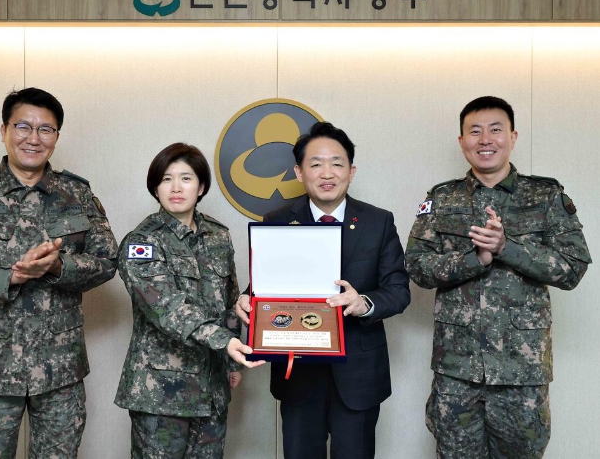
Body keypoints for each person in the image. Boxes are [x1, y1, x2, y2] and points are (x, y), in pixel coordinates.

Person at [0, 87, 118, 458]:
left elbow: (107, 261)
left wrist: (60, 266)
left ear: (56, 137)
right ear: (4, 131)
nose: (34, 138)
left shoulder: (77, 194)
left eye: (45, 129)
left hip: (60, 368)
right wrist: (9, 277)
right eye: (23, 127)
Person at [405, 96, 592, 458]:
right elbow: (416, 266)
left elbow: (573, 268)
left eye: (495, 130)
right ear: (462, 141)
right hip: (457, 370)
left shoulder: (545, 196)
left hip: (521, 371)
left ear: (513, 137)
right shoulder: (441, 199)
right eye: (475, 131)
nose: (485, 140)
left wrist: (508, 248)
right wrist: (474, 259)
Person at [236, 122, 411, 459]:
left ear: (351, 171)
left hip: (359, 374)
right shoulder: (277, 220)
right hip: (298, 373)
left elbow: (398, 290)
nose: (327, 173)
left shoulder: (378, 222)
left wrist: (364, 302)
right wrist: (248, 299)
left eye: (337, 163)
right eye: (316, 164)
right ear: (299, 172)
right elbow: (263, 286)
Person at [115, 142, 264, 459]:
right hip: (161, 392)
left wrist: (231, 362)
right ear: (155, 188)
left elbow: (230, 302)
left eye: (186, 178)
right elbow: (167, 309)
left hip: (212, 388)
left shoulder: (218, 235)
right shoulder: (142, 242)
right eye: (166, 179)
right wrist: (225, 343)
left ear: (201, 187)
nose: (176, 188)